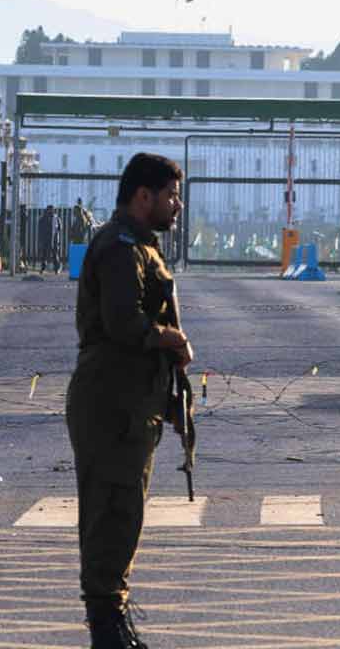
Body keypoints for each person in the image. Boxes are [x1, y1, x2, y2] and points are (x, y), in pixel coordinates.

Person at [65, 153, 192, 649]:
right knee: (111, 513)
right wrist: (171, 340)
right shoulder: (121, 248)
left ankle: (113, 622)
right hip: (110, 402)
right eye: (171, 195)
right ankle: (107, 631)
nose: (176, 205)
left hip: (130, 403)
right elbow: (122, 322)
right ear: (144, 196)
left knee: (123, 514)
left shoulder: (140, 247)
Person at [37, 205, 63, 273]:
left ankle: (56, 268)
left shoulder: (56, 218)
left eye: (52, 210)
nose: (50, 211)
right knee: (44, 254)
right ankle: (43, 268)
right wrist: (40, 240)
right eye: (49, 210)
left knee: (54, 254)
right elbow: (40, 230)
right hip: (46, 239)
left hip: (54, 239)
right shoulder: (43, 218)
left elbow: (60, 228)